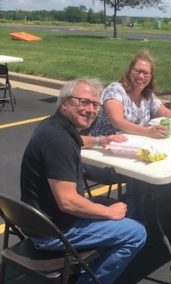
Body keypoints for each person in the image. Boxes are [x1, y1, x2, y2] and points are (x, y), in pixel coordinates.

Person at [20, 78, 147, 283]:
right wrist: (108, 213)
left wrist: (100, 140)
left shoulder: (54, 127)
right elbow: (68, 201)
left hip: (38, 221)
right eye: (84, 102)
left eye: (95, 105)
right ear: (65, 103)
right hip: (52, 232)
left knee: (112, 205)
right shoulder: (58, 141)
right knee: (136, 232)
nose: (91, 109)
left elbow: (79, 140)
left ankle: (88, 264)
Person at [90, 49, 171, 138]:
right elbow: (117, 121)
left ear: (151, 77)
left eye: (146, 73)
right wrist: (148, 131)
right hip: (104, 145)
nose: (141, 76)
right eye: (137, 71)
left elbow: (167, 113)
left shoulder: (148, 96)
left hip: (132, 146)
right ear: (129, 72)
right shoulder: (115, 90)